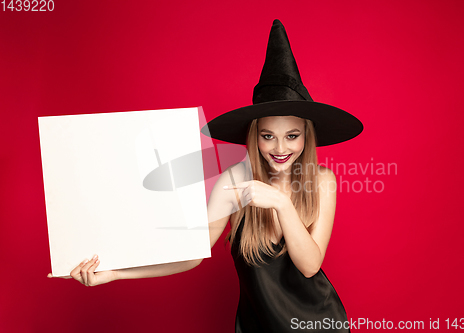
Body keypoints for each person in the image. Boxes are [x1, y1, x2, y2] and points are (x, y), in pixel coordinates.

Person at [48, 20, 363, 332]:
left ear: (307, 137)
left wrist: (280, 203)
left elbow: (310, 266)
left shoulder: (322, 180)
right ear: (254, 136)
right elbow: (191, 255)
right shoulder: (233, 183)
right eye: (268, 136)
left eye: (292, 135)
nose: (280, 148)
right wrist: (115, 272)